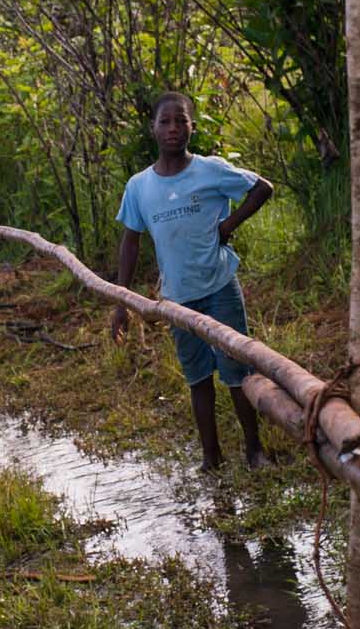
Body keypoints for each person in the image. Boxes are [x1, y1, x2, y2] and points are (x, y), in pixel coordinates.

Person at [108, 91, 275, 471]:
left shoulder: (210, 170)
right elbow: (130, 243)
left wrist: (228, 225)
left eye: (180, 121)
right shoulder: (139, 187)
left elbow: (262, 188)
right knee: (198, 378)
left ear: (191, 127)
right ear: (152, 128)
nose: (173, 129)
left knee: (237, 374)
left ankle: (255, 451)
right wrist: (121, 303)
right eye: (165, 121)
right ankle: (211, 457)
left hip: (219, 287)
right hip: (178, 299)